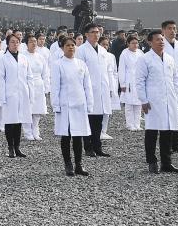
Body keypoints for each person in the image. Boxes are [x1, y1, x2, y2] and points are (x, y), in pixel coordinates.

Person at [134, 30, 178, 174]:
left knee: (167, 132)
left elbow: (174, 78)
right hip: (153, 100)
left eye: (162, 39)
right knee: (152, 131)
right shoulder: (145, 59)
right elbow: (139, 81)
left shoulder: (169, 58)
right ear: (150, 42)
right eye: (157, 39)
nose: (161, 41)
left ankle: (166, 162)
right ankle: (152, 161)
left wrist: (174, 93)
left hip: (169, 99)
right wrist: (143, 100)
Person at [50, 36, 91, 177]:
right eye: (67, 45)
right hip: (65, 105)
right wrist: (55, 105)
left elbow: (87, 86)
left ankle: (79, 164)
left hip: (79, 104)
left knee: (78, 136)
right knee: (66, 136)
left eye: (73, 45)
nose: (71, 47)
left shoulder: (81, 64)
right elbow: (55, 86)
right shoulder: (58, 64)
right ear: (62, 48)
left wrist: (89, 104)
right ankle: (68, 164)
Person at [76, 23, 112, 157]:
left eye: (98, 32)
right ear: (86, 34)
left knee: (98, 121)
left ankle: (98, 147)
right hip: (88, 89)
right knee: (88, 120)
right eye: (93, 32)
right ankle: (88, 147)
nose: (96, 34)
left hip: (101, 90)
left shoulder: (103, 51)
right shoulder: (81, 50)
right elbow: (79, 71)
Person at [0, 33, 31, 157]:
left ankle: (17, 147)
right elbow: (1, 78)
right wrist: (2, 96)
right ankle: (10, 147)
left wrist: (30, 92)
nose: (15, 44)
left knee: (19, 120)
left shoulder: (24, 58)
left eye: (17, 42)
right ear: (7, 44)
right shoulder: (3, 58)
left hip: (22, 92)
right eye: (12, 42)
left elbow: (29, 76)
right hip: (9, 93)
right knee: (9, 120)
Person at [160, 21, 178, 153]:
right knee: (167, 114)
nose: (172, 31)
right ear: (163, 30)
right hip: (166, 83)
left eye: (174, 28)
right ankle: (167, 143)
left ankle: (176, 142)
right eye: (169, 28)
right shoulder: (160, 45)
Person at [23, 33, 49, 141]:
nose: (34, 43)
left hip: (38, 84)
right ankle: (27, 132)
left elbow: (45, 73)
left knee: (37, 110)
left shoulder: (40, 57)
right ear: (26, 44)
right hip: (27, 84)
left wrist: (46, 87)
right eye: (31, 42)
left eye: (35, 41)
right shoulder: (23, 56)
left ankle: (35, 130)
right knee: (28, 109)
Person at [118, 34, 143, 131]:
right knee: (129, 104)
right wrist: (122, 83)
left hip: (139, 80)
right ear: (128, 43)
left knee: (138, 103)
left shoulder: (140, 53)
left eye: (137, 43)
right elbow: (121, 69)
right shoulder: (124, 53)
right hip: (128, 80)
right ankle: (129, 124)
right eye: (133, 43)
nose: (135, 45)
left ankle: (137, 124)